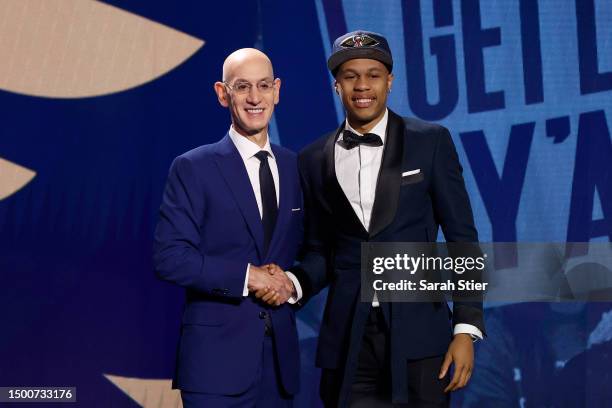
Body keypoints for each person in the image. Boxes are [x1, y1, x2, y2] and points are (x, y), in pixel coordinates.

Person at [261, 31, 485, 407]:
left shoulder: (430, 141)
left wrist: (465, 328)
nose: (362, 86)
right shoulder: (313, 159)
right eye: (350, 76)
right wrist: (293, 284)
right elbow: (320, 252)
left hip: (421, 336)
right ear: (336, 85)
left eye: (373, 75)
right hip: (348, 337)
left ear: (390, 81)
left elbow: (462, 239)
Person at [153, 48, 303, 407]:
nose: (255, 98)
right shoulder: (193, 167)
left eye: (263, 86)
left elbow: (316, 250)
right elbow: (170, 257)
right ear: (223, 93)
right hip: (214, 366)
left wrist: (292, 283)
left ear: (277, 90)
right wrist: (249, 277)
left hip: (280, 367)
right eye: (242, 87)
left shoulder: (297, 166)